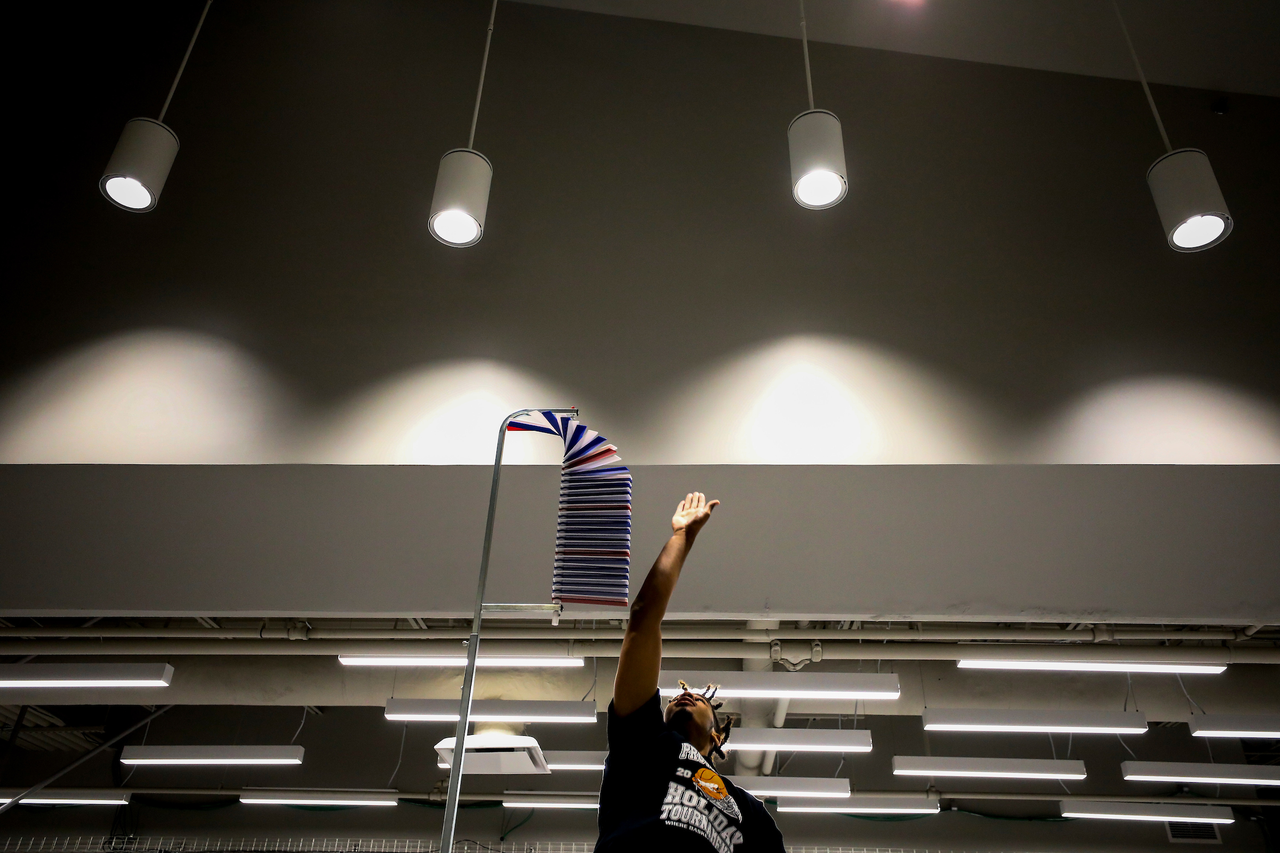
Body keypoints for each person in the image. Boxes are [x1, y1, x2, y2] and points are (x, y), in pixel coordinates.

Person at [596, 492, 786, 853]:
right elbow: (642, 618)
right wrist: (683, 537)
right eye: (678, 698)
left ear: (717, 738)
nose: (686, 696)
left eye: (698, 700)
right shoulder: (641, 743)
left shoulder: (749, 812)